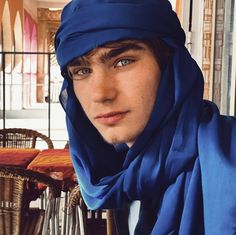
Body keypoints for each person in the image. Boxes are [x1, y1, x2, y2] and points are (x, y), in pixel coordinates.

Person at [55, 0, 236, 234]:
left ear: (169, 65)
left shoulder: (227, 161)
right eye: (81, 70)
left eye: (123, 61)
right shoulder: (121, 173)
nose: (100, 94)